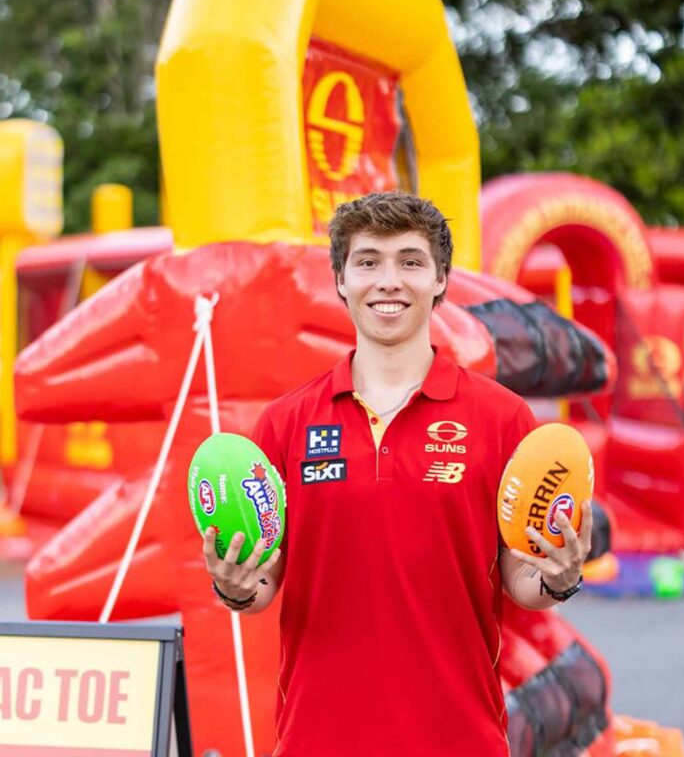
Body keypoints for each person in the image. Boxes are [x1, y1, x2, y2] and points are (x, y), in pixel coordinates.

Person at [202, 191, 593, 756]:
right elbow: (262, 585)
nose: (389, 281)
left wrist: (558, 576)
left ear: (439, 280)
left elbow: (520, 580)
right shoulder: (286, 423)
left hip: (459, 738)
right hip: (318, 739)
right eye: (368, 262)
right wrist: (234, 586)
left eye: (410, 262)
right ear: (340, 280)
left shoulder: (503, 418)